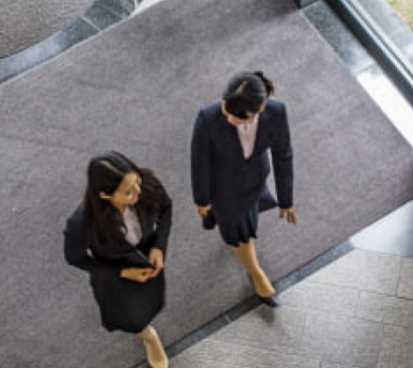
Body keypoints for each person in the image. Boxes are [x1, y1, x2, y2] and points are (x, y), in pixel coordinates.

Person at [190, 71, 296, 307]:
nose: (228, 119)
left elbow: (283, 155)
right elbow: (199, 161)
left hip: (256, 180)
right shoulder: (207, 118)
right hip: (223, 189)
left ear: (259, 110)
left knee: (244, 223)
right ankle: (258, 276)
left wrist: (286, 200)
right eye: (226, 110)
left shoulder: (277, 113)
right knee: (240, 234)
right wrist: (202, 199)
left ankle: (237, 243)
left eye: (238, 117)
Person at [64, 151, 171, 368]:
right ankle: (148, 336)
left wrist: (159, 247)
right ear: (104, 195)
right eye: (128, 192)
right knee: (129, 318)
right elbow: (75, 258)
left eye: (137, 183)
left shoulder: (146, 183)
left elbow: (166, 208)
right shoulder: (82, 224)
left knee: (151, 301)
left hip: (147, 262)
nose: (138, 193)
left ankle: (146, 328)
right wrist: (122, 273)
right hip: (115, 279)